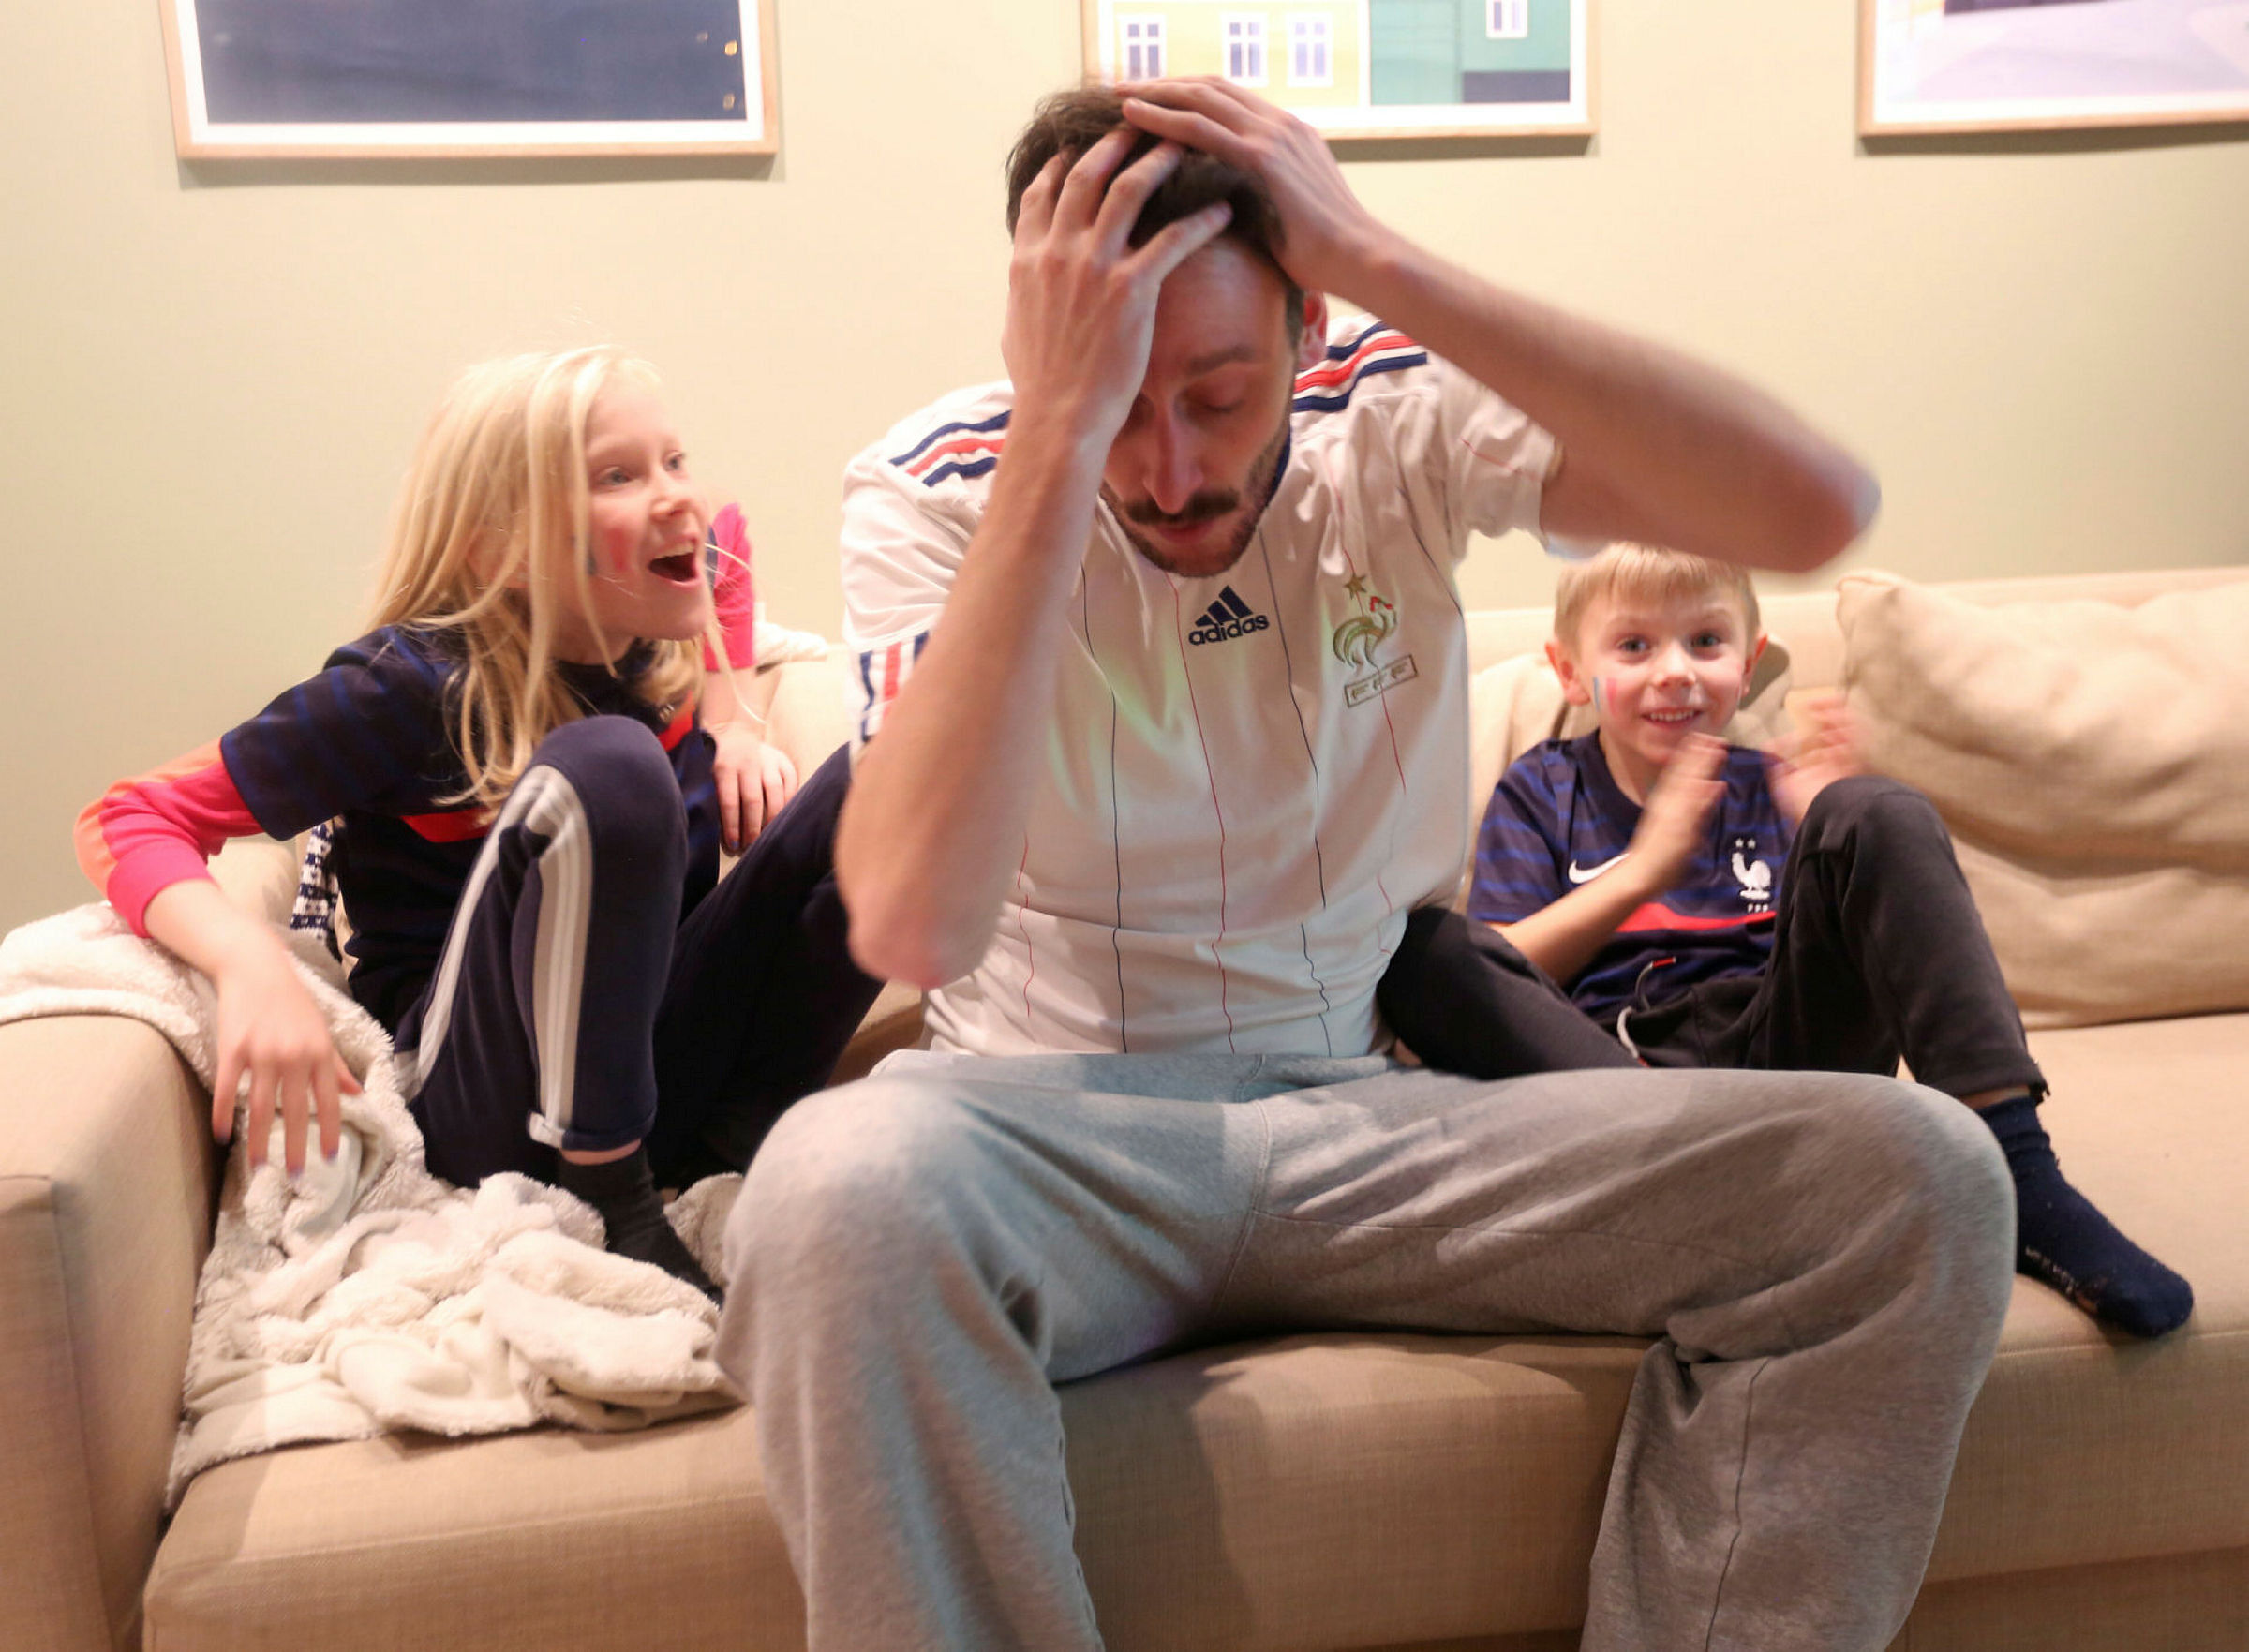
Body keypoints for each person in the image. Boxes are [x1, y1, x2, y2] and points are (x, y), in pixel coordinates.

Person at [716, 81, 2015, 1650]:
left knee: (1918, 1176)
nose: (1173, 471)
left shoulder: (1387, 406)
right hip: (1039, 1130)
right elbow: (917, 911)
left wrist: (1387, 259)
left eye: (1218, 391)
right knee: (822, 1193)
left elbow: (1814, 504)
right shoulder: (936, 485)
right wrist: (1055, 437)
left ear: (1306, 326)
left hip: (1366, 1109)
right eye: (1119, 396)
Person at [76, 347, 881, 1298]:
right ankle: (616, 1205)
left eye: (675, 461)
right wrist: (246, 963)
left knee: (897, 761)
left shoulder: (651, 648)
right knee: (611, 769)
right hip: (487, 1105)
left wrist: (733, 714)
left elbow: (725, 548)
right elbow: (126, 816)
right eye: (618, 475)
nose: (678, 498)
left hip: (665, 1073)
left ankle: (724, 1150)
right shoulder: (409, 689)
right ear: (498, 549)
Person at [1441, 542, 2194, 1339]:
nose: (1676, 670)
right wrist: (1639, 874)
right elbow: (1498, 976)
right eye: (1634, 645)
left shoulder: (1773, 784)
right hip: (1619, 1078)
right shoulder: (1542, 787)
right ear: (1568, 670)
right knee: (1432, 950)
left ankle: (2017, 1170)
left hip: (1779, 1063)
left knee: (1878, 806)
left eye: (1706, 641)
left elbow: (1827, 969)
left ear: (1749, 660)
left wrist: (1821, 828)